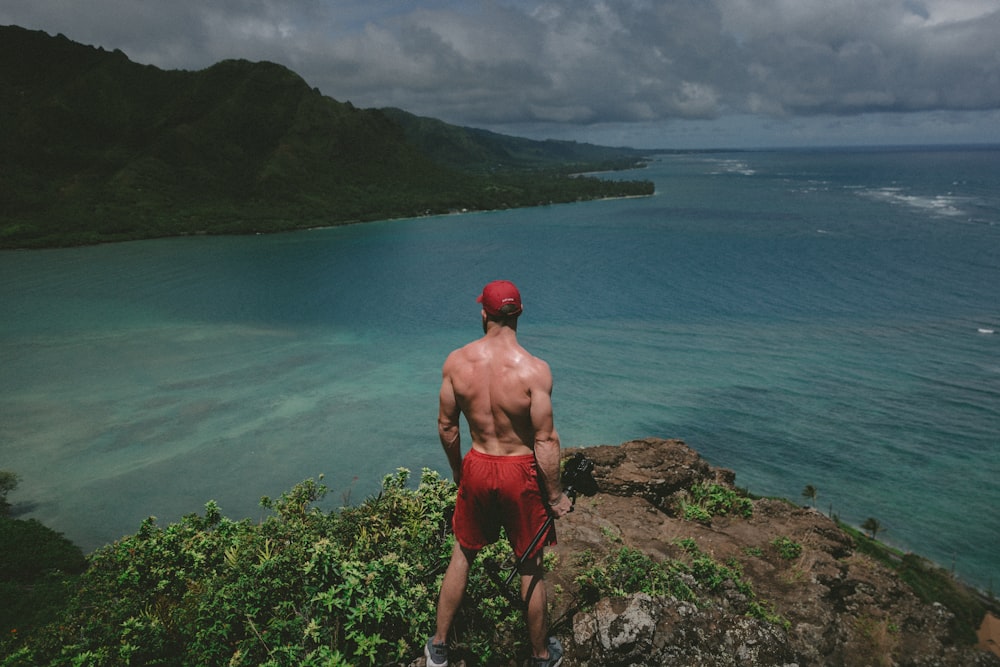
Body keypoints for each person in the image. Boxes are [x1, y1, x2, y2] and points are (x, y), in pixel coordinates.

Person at [426, 280, 573, 667]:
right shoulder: (535, 371)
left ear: (484, 314)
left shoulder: (456, 362)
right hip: (519, 470)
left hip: (478, 464)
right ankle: (541, 656)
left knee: (463, 554)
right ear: (519, 314)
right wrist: (555, 496)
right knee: (530, 564)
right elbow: (545, 440)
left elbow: (446, 426)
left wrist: (460, 470)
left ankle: (438, 647)